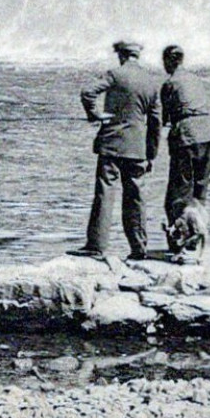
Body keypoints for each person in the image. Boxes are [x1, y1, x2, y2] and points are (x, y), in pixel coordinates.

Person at [73, 40, 162, 261]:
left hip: (112, 144)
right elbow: (156, 122)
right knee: (136, 198)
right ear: (137, 56)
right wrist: (151, 153)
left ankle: (96, 246)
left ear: (121, 56)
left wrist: (95, 115)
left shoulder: (114, 74)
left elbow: (88, 92)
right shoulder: (151, 82)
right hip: (137, 148)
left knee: (105, 194)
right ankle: (139, 247)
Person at [160, 44, 210, 263]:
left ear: (168, 61)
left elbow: (164, 118)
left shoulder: (170, 83)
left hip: (186, 137)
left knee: (178, 195)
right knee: (200, 191)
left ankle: (180, 244)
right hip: (208, 134)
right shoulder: (195, 79)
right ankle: (197, 241)